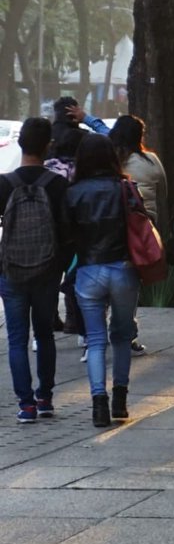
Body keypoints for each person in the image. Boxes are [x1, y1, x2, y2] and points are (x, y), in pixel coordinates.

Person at [0, 118, 71, 423]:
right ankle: (45, 398)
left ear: (20, 144)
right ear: (48, 146)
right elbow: (68, 231)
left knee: (17, 339)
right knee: (44, 335)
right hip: (47, 269)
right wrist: (61, 266)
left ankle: (25, 404)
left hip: (11, 270)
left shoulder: (4, 183)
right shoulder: (57, 184)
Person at [66, 134, 139, 428]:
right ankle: (120, 399)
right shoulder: (125, 187)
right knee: (122, 335)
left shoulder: (72, 193)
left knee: (95, 340)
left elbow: (67, 235)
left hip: (88, 270)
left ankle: (99, 405)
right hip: (122, 267)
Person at [110, 115, 168, 357]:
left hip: (114, 227)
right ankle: (128, 333)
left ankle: (96, 336)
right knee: (132, 281)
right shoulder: (152, 161)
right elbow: (163, 193)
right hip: (143, 226)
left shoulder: (112, 161)